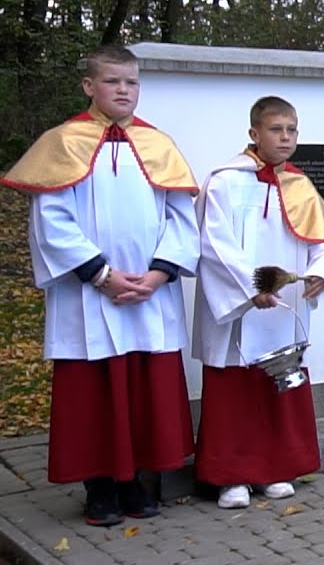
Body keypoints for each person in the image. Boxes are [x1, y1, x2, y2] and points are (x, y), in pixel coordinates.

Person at [0, 45, 199, 526]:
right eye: (113, 82)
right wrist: (102, 275)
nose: (124, 90)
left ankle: (135, 481)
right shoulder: (63, 142)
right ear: (89, 86)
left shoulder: (159, 145)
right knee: (95, 392)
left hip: (150, 291)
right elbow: (52, 219)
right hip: (89, 293)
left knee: (142, 387)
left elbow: (180, 216)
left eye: (131, 82)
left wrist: (158, 273)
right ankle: (100, 487)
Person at [191, 96, 324, 509]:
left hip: (282, 308)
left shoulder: (299, 184)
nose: (286, 137)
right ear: (254, 133)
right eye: (277, 129)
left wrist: (321, 272)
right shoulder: (224, 181)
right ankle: (231, 477)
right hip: (242, 308)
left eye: (292, 130)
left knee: (278, 380)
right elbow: (213, 244)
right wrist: (250, 287)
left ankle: (277, 468)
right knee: (233, 388)